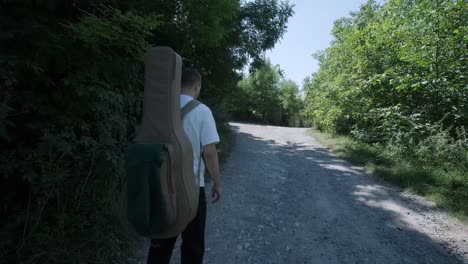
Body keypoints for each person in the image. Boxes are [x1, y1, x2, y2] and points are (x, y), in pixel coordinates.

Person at [147, 68, 222, 264]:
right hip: (191, 189)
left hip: (162, 185)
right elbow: (210, 152)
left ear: (177, 85)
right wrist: (217, 182)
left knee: (160, 244)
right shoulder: (203, 111)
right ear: (197, 86)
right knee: (193, 245)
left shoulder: (161, 108)